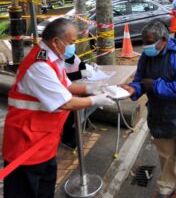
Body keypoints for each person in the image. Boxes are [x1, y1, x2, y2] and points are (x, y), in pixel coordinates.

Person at [2, 18, 114, 198]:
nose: (73, 47)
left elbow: (66, 86)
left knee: (45, 189)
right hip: (25, 144)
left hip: (45, 140)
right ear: (55, 41)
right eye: (71, 42)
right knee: (25, 191)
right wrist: (96, 100)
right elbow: (65, 102)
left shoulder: (54, 58)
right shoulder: (39, 65)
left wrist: (90, 88)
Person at [120, 22, 176, 198]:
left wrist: (155, 85)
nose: (146, 46)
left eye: (149, 41)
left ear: (163, 40)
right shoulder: (146, 57)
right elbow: (140, 79)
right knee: (165, 154)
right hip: (159, 114)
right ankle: (166, 185)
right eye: (144, 41)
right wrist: (134, 88)